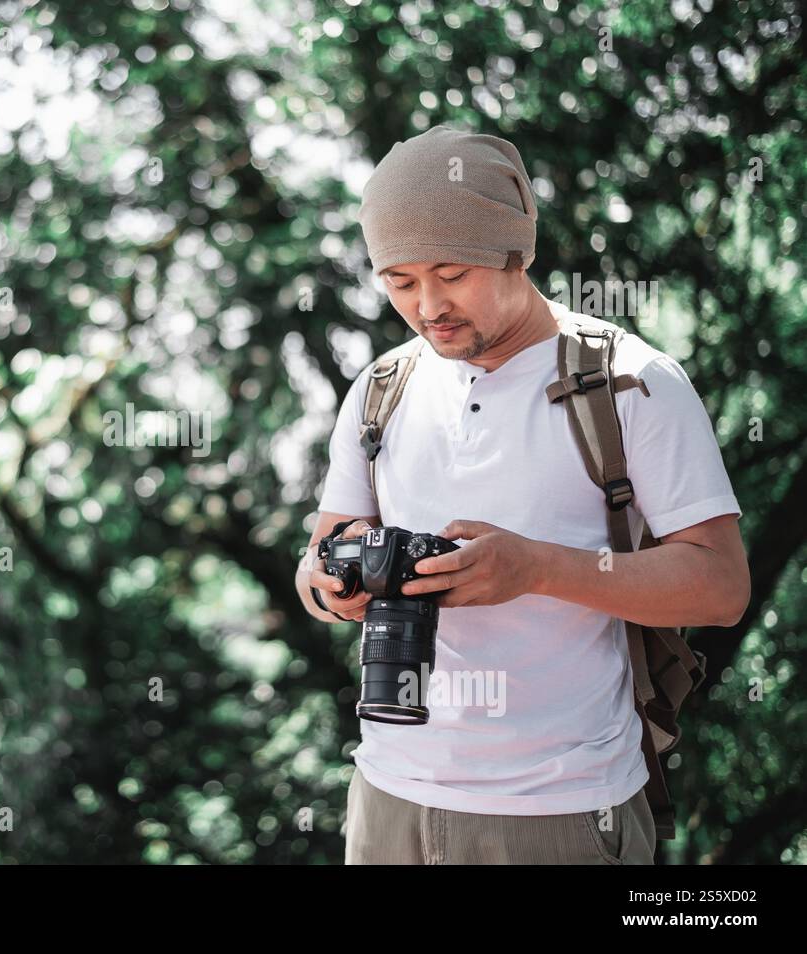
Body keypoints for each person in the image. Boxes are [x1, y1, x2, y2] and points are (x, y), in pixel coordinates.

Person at [295, 125, 750, 864]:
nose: (428, 305)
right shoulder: (381, 389)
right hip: (385, 798)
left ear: (516, 253)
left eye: (452, 272)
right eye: (400, 282)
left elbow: (721, 586)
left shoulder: (632, 384)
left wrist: (536, 569)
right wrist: (328, 584)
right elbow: (322, 549)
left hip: (562, 809)